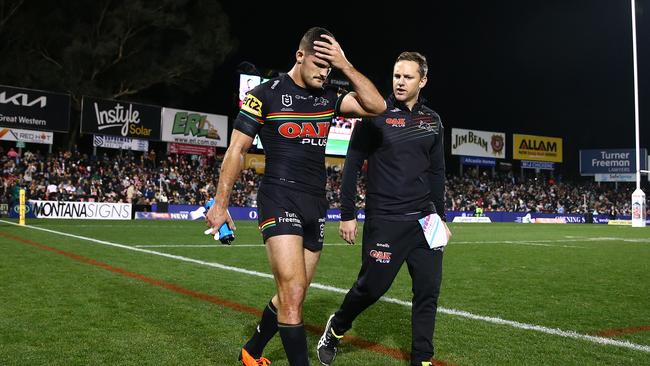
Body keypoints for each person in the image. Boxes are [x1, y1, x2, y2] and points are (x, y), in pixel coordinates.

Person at [206, 27, 385, 366]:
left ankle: (252, 351)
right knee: (292, 295)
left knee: (295, 294)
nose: (324, 72)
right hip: (278, 197)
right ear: (299, 56)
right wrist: (220, 203)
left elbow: (376, 106)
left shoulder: (329, 97)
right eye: (319, 63)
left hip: (315, 205)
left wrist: (345, 65)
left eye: (328, 67)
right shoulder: (264, 95)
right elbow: (236, 150)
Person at [317, 51, 451, 366]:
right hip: (386, 219)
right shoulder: (375, 113)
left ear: (423, 80)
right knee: (370, 288)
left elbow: (437, 173)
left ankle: (422, 358)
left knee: (428, 292)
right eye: (396, 76)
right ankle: (336, 328)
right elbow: (351, 164)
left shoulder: (432, 121)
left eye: (408, 76)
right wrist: (347, 214)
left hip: (426, 218)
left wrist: (441, 218)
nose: (400, 82)